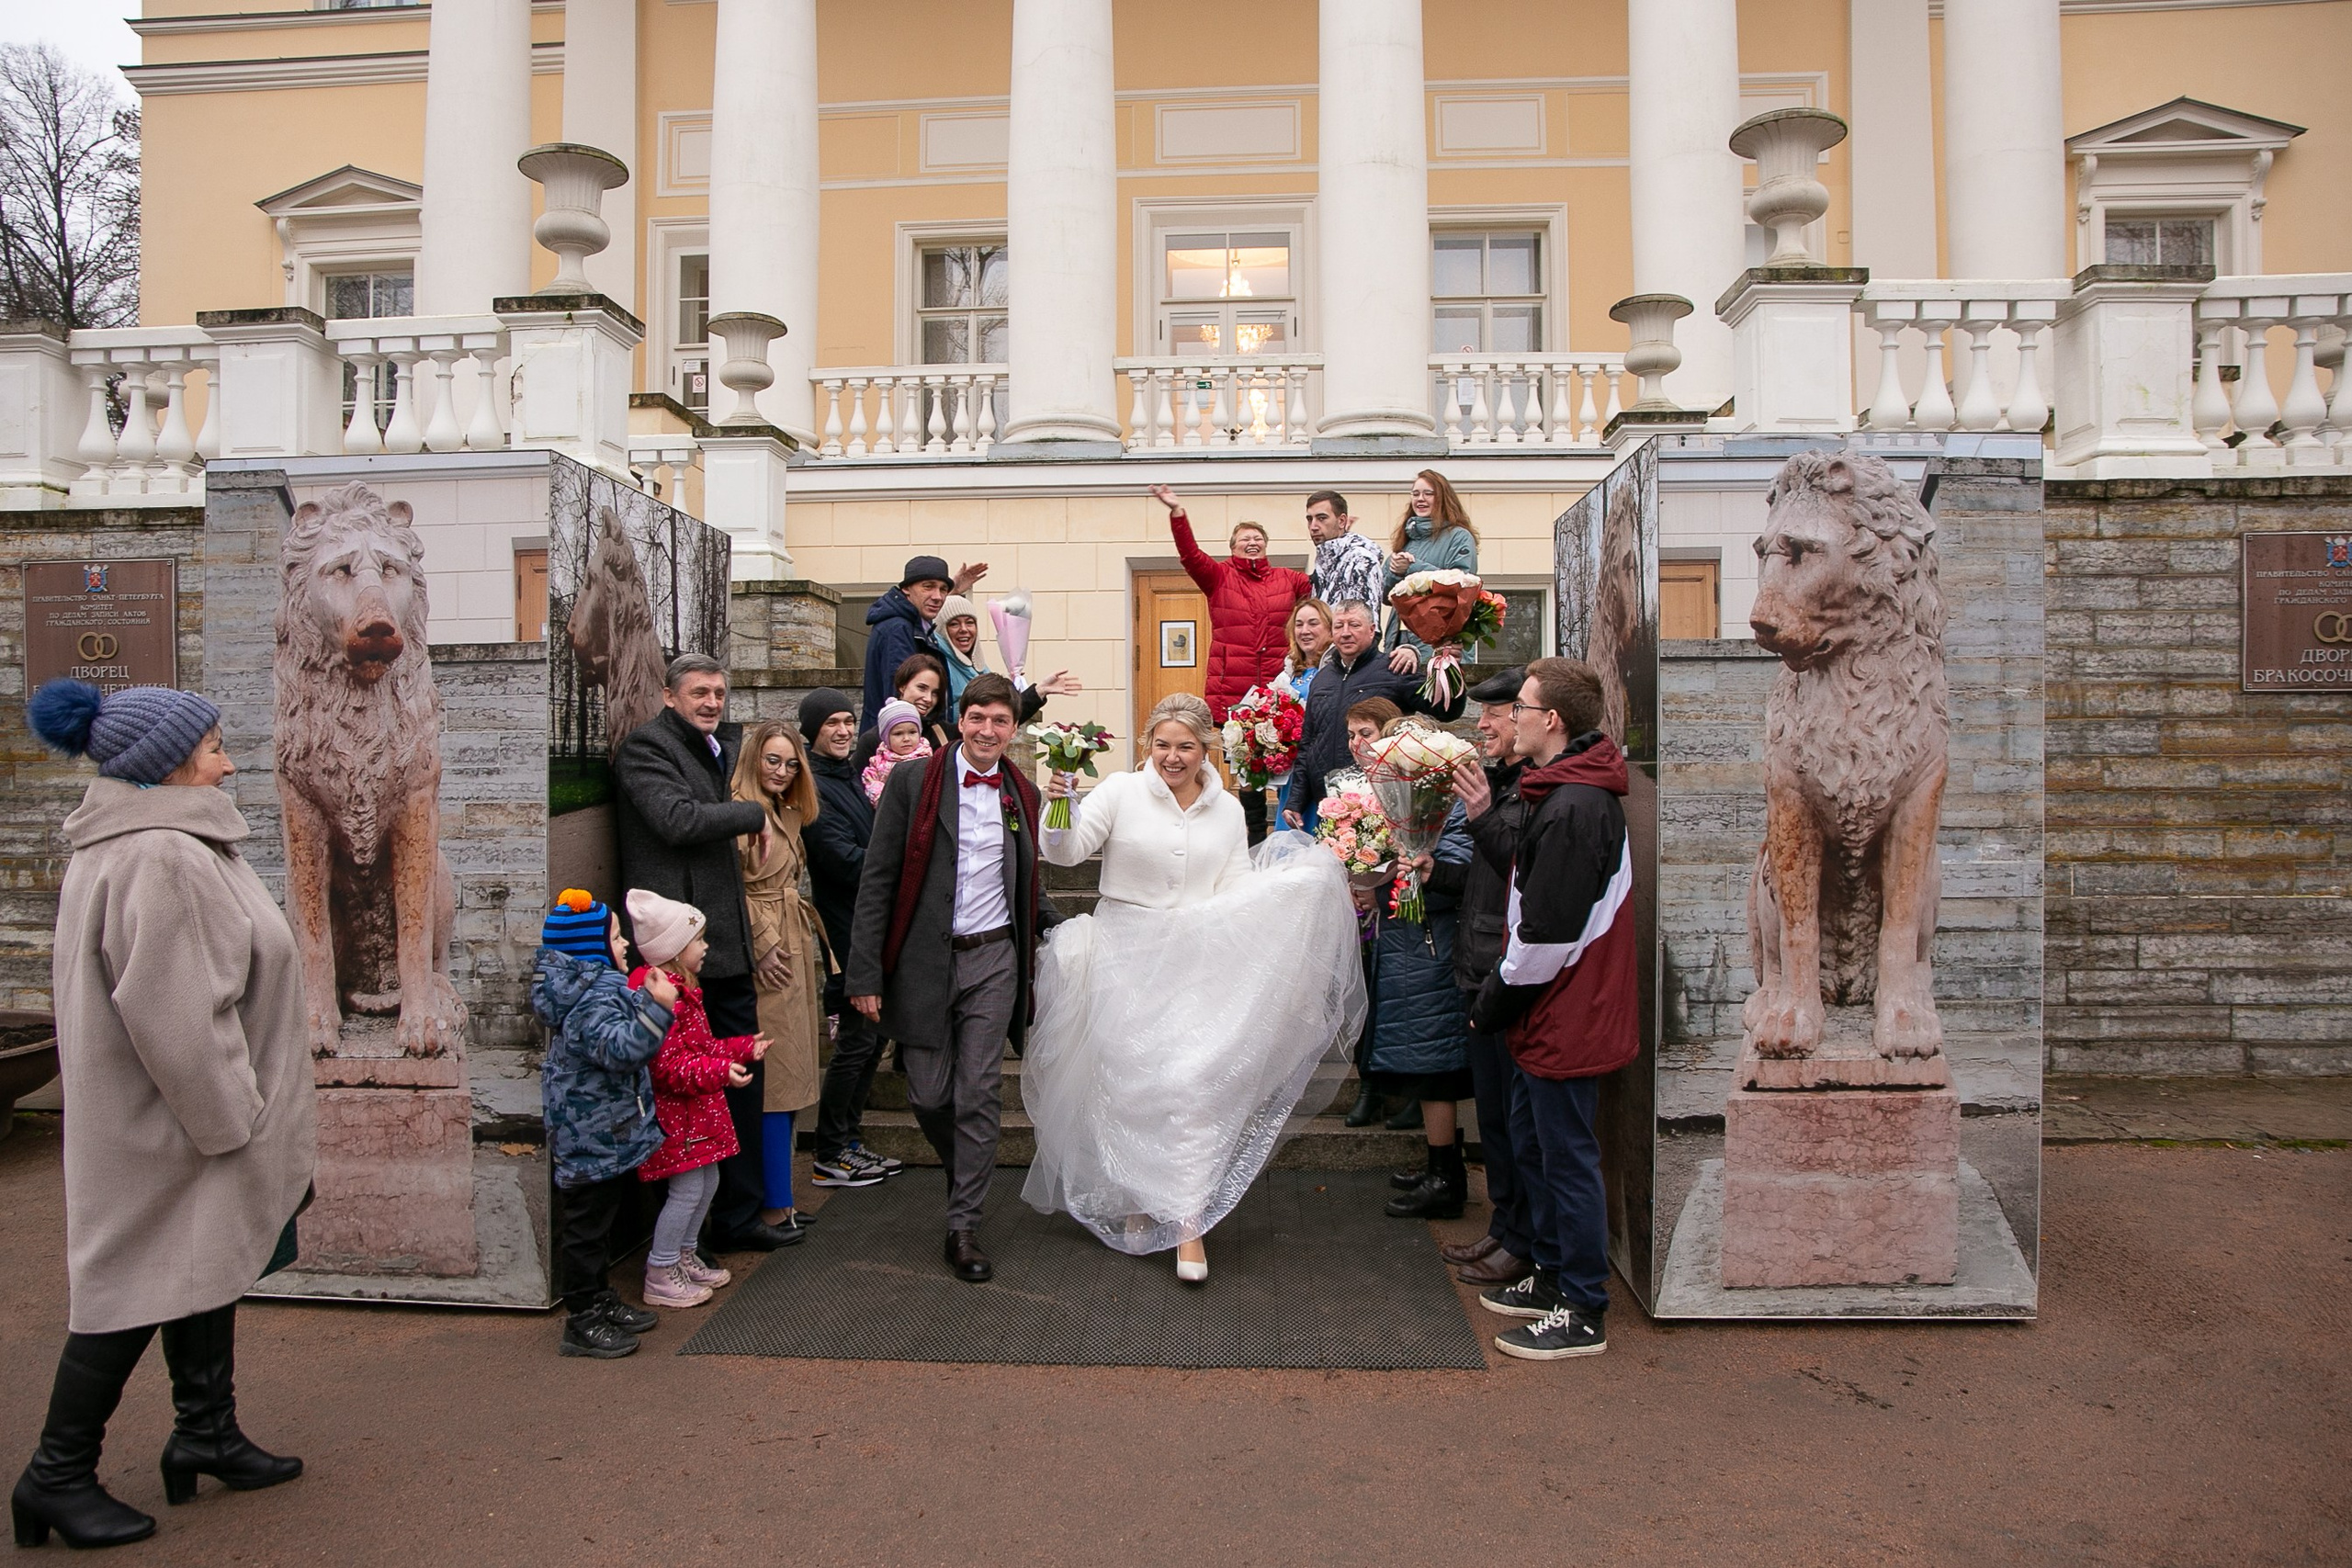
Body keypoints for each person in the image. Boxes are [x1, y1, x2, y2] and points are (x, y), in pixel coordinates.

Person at [17, 681, 314, 1550]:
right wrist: (236, 1120)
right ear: (171, 764)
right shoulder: (164, 857)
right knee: (128, 1289)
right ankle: (55, 1474)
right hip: (180, 1123)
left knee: (196, 1266)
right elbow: (180, 1017)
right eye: (214, 747)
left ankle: (206, 1430)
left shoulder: (154, 844)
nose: (228, 761)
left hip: (168, 1118)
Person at [1024, 694, 1363, 1284]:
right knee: (1133, 1085)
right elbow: (1066, 851)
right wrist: (1057, 810)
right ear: (1147, 744)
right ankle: (1135, 1199)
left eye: (1185, 746)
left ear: (1205, 747)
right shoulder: (1118, 793)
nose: (1172, 757)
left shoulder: (1228, 808)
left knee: (1192, 1085)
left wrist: (1279, 901)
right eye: (1161, 745)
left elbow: (1232, 881)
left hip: (1196, 960)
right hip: (1125, 952)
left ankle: (1187, 1225)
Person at [846, 673, 1060, 1284]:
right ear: (961, 719)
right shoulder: (913, 780)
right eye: (978, 718)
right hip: (922, 959)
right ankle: (965, 1164)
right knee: (929, 1094)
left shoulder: (1023, 791)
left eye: (1001, 721)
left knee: (979, 1090)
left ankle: (962, 1224)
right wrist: (864, 971)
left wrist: (1060, 928)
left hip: (995, 958)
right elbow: (878, 879)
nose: (988, 730)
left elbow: (1027, 879)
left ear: (1014, 729)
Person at [1469, 659, 1638, 1362]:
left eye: (1523, 706)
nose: (1511, 716)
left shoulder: (1573, 805)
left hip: (1565, 1004)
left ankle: (1582, 1305)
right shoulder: (1559, 790)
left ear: (1551, 721)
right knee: (1540, 1143)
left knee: (1567, 1156)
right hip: (1553, 1003)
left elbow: (1548, 933)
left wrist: (1494, 1000)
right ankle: (1551, 1273)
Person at [612, 655, 795, 1252]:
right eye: (699, 692)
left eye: (719, 692)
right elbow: (675, 819)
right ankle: (684, 1238)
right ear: (669, 696)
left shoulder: (711, 749)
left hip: (722, 948)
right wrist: (751, 812)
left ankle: (738, 1216)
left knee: (742, 1075)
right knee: (691, 1089)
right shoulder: (647, 749)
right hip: (681, 957)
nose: (712, 702)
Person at [531, 891, 676, 1359]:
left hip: (604, 1131)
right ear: (591, 947)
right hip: (590, 1133)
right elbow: (621, 1050)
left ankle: (598, 1299)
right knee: (586, 1228)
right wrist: (657, 1007)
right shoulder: (591, 1000)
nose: (626, 945)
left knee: (600, 1220)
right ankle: (582, 1318)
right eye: (616, 937)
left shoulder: (596, 989)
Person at [1438, 667, 1538, 1290]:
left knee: (1513, 1119)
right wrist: (1429, 871)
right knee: (1496, 1120)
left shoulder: (1530, 790)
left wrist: (1478, 812)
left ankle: (1522, 1239)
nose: (1484, 726)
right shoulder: (1501, 784)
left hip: (1508, 972)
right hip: (1479, 963)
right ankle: (1505, 1228)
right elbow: (1478, 878)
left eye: (1496, 715)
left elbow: (1517, 866)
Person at [626, 889, 773, 1309]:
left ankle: (684, 1255)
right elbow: (669, 1068)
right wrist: (720, 1072)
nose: (706, 947)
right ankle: (662, 1268)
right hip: (679, 1118)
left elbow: (698, 1050)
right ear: (674, 950)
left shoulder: (684, 994)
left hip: (696, 1114)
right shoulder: (663, 1000)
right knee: (688, 1190)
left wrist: (741, 1048)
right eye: (698, 940)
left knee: (706, 1182)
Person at [1148, 482, 1311, 844]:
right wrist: (1178, 513)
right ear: (1233, 547)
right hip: (1232, 692)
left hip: (1279, 692)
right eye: (1244, 539)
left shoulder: (1290, 579)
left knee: (1286, 761)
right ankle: (1252, 837)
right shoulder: (1219, 577)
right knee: (1246, 768)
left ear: (1266, 545)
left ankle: (1289, 833)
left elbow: (1324, 594)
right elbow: (1190, 556)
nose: (1251, 543)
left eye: (1257, 538)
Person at [796, 689, 902, 1190]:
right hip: (845, 927)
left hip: (870, 922)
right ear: (812, 732)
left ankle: (850, 1141)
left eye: (846, 721)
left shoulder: (849, 777)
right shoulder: (813, 787)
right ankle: (830, 1151)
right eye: (830, 724)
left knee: (871, 1039)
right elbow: (843, 860)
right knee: (857, 1042)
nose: (841, 731)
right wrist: (902, 865)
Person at [733, 722, 831, 1238]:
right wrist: (763, 941)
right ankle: (771, 1205)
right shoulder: (742, 813)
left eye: (792, 763)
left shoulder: (784, 811)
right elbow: (732, 885)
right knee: (776, 1079)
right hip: (770, 952)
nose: (783, 771)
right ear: (753, 759)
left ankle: (783, 1199)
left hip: (791, 943)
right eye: (773, 760)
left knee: (792, 1076)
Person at [1289, 600, 1465, 833]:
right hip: (1329, 804)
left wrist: (1449, 666)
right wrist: (1295, 801)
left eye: (1354, 625)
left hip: (1379, 802)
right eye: (1339, 626)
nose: (1346, 633)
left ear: (1372, 630)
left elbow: (1446, 709)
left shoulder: (1395, 668)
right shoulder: (1322, 679)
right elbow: (1308, 743)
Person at [1333, 696, 1405, 1130]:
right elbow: (1338, 835)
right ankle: (1368, 1085)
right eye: (1351, 735)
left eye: (1367, 733)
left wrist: (1381, 890)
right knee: (1362, 996)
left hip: (1394, 906)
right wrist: (1352, 883)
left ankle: (1406, 1091)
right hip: (1357, 903)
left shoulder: (1408, 781)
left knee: (1392, 998)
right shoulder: (1344, 783)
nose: (1357, 742)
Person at [861, 554, 984, 721]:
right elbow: (902, 700)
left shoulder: (915, 624)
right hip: (902, 742)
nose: (938, 597)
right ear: (906, 589)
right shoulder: (898, 629)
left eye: (943, 589)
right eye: (928, 587)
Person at [1383, 470, 1481, 661]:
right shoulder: (1405, 541)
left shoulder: (1459, 537)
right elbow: (1386, 597)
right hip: (1398, 642)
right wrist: (1394, 572)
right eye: (1415, 494)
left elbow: (1462, 585)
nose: (1421, 499)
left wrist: (1412, 568)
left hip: (1440, 645)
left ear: (1443, 498)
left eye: (1428, 494)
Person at [934, 593, 1080, 716]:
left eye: (970, 622)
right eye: (954, 624)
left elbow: (1003, 716)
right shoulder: (938, 667)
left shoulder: (981, 670)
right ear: (942, 630)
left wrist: (1039, 691)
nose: (964, 629)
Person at [1272, 597, 1334, 828]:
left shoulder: (1335, 669)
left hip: (1320, 773)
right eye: (1299, 624)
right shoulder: (1289, 673)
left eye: (1313, 623)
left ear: (1329, 628)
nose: (1305, 631)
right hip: (1292, 775)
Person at [853, 653, 954, 773]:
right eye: (922, 688)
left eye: (935, 693)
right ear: (902, 686)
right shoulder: (872, 740)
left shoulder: (946, 734)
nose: (928, 699)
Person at [1306, 489, 1385, 612]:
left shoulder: (1360, 560)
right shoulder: (1326, 562)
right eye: (1310, 519)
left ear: (1342, 521)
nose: (1313, 527)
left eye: (1321, 518)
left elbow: (1363, 623)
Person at [862, 698, 933, 803]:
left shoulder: (929, 758)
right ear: (886, 737)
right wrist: (885, 798)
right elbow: (870, 783)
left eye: (912, 732)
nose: (906, 739)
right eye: (898, 734)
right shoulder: (878, 763)